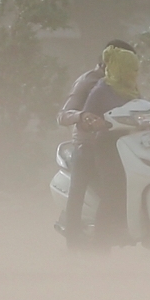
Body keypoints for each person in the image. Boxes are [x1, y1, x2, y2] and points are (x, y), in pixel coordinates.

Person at [56, 39, 134, 249]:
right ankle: (73, 243)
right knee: (79, 190)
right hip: (88, 145)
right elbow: (63, 115)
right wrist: (83, 116)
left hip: (118, 144)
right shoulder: (88, 83)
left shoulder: (123, 83)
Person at [79, 42, 141, 248]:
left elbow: (141, 108)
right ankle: (101, 240)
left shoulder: (131, 90)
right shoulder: (100, 90)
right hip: (107, 146)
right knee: (113, 187)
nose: (135, 73)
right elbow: (87, 118)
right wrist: (93, 122)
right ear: (120, 68)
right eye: (131, 68)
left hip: (130, 143)